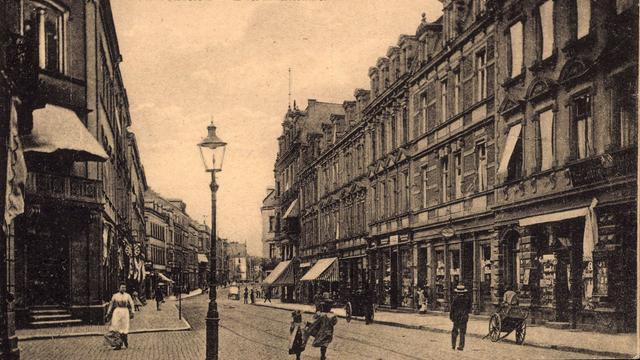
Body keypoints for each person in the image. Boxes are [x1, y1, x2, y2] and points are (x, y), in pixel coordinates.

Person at [305, 294, 338, 360]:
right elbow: (334, 322)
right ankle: (323, 355)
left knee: (323, 343)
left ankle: (322, 355)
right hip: (329, 332)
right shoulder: (333, 315)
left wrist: (309, 325)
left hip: (322, 331)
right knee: (325, 344)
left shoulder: (320, 314)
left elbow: (314, 320)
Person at [105, 283, 135, 350]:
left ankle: (125, 340)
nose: (123, 289)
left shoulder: (127, 295)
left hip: (125, 312)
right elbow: (111, 305)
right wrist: (108, 313)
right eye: (122, 287)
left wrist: (133, 312)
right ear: (119, 288)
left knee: (124, 326)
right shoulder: (115, 296)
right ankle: (118, 343)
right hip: (117, 311)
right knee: (116, 326)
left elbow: (132, 303)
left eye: (124, 287)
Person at [450, 283, 471, 351]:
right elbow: (469, 308)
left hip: (456, 317)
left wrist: (451, 316)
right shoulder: (467, 299)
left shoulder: (455, 299)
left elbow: (452, 308)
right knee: (462, 332)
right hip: (464, 317)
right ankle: (461, 346)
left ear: (457, 292)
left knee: (454, 331)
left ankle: (453, 345)